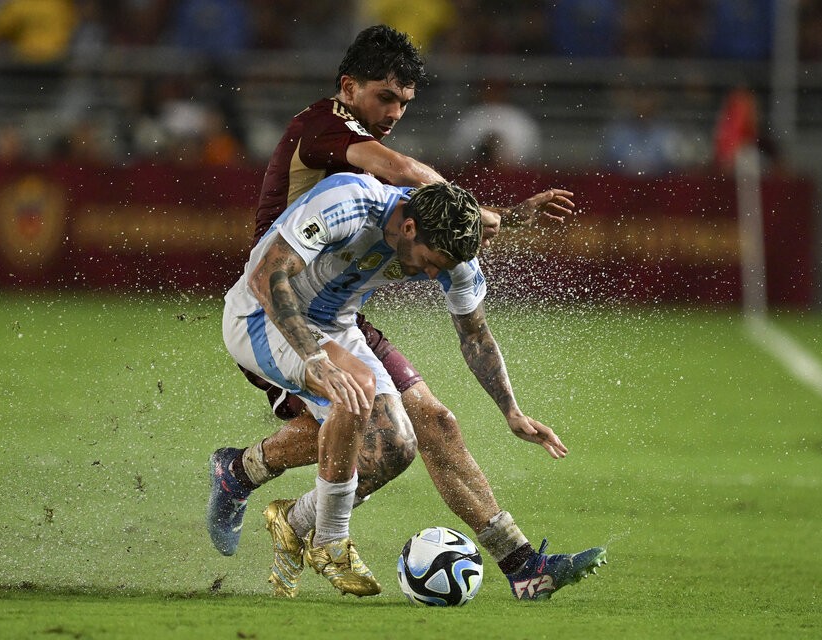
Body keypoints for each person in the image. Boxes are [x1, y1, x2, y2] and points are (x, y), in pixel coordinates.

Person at [209, 25, 601, 601]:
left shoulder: (434, 236)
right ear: (349, 87)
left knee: (426, 426)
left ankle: (522, 567)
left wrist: (512, 411)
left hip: (340, 307)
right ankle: (264, 490)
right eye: (385, 98)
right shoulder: (331, 136)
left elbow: (474, 328)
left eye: (404, 103)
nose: (393, 112)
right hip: (276, 305)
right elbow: (404, 172)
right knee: (366, 426)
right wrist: (504, 216)